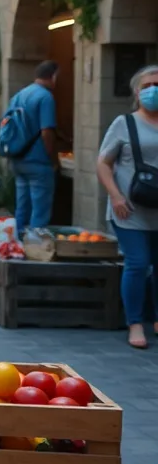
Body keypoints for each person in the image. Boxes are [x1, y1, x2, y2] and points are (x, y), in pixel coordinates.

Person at [96, 65, 158, 348]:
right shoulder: (124, 124)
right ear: (136, 93)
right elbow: (103, 163)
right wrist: (115, 195)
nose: (153, 90)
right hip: (129, 210)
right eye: (147, 86)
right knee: (138, 263)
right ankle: (135, 323)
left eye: (157, 85)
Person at [6, 60, 59, 235]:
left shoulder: (18, 96)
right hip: (38, 161)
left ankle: (18, 241)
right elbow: (46, 132)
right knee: (40, 210)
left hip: (18, 158)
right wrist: (53, 159)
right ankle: (36, 244)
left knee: (22, 206)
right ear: (53, 76)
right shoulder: (45, 97)